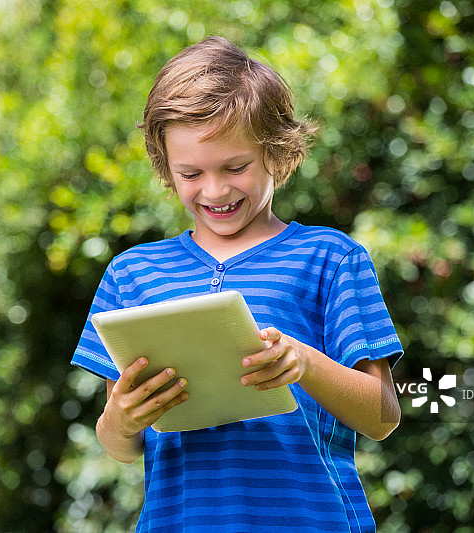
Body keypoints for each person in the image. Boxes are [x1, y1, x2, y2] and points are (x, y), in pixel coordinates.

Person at [72, 35, 403, 533]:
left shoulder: (331, 258)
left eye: (236, 167)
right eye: (190, 173)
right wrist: (121, 418)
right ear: (167, 167)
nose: (215, 190)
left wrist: (304, 363)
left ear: (276, 151)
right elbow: (119, 447)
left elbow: (383, 416)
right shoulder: (130, 274)